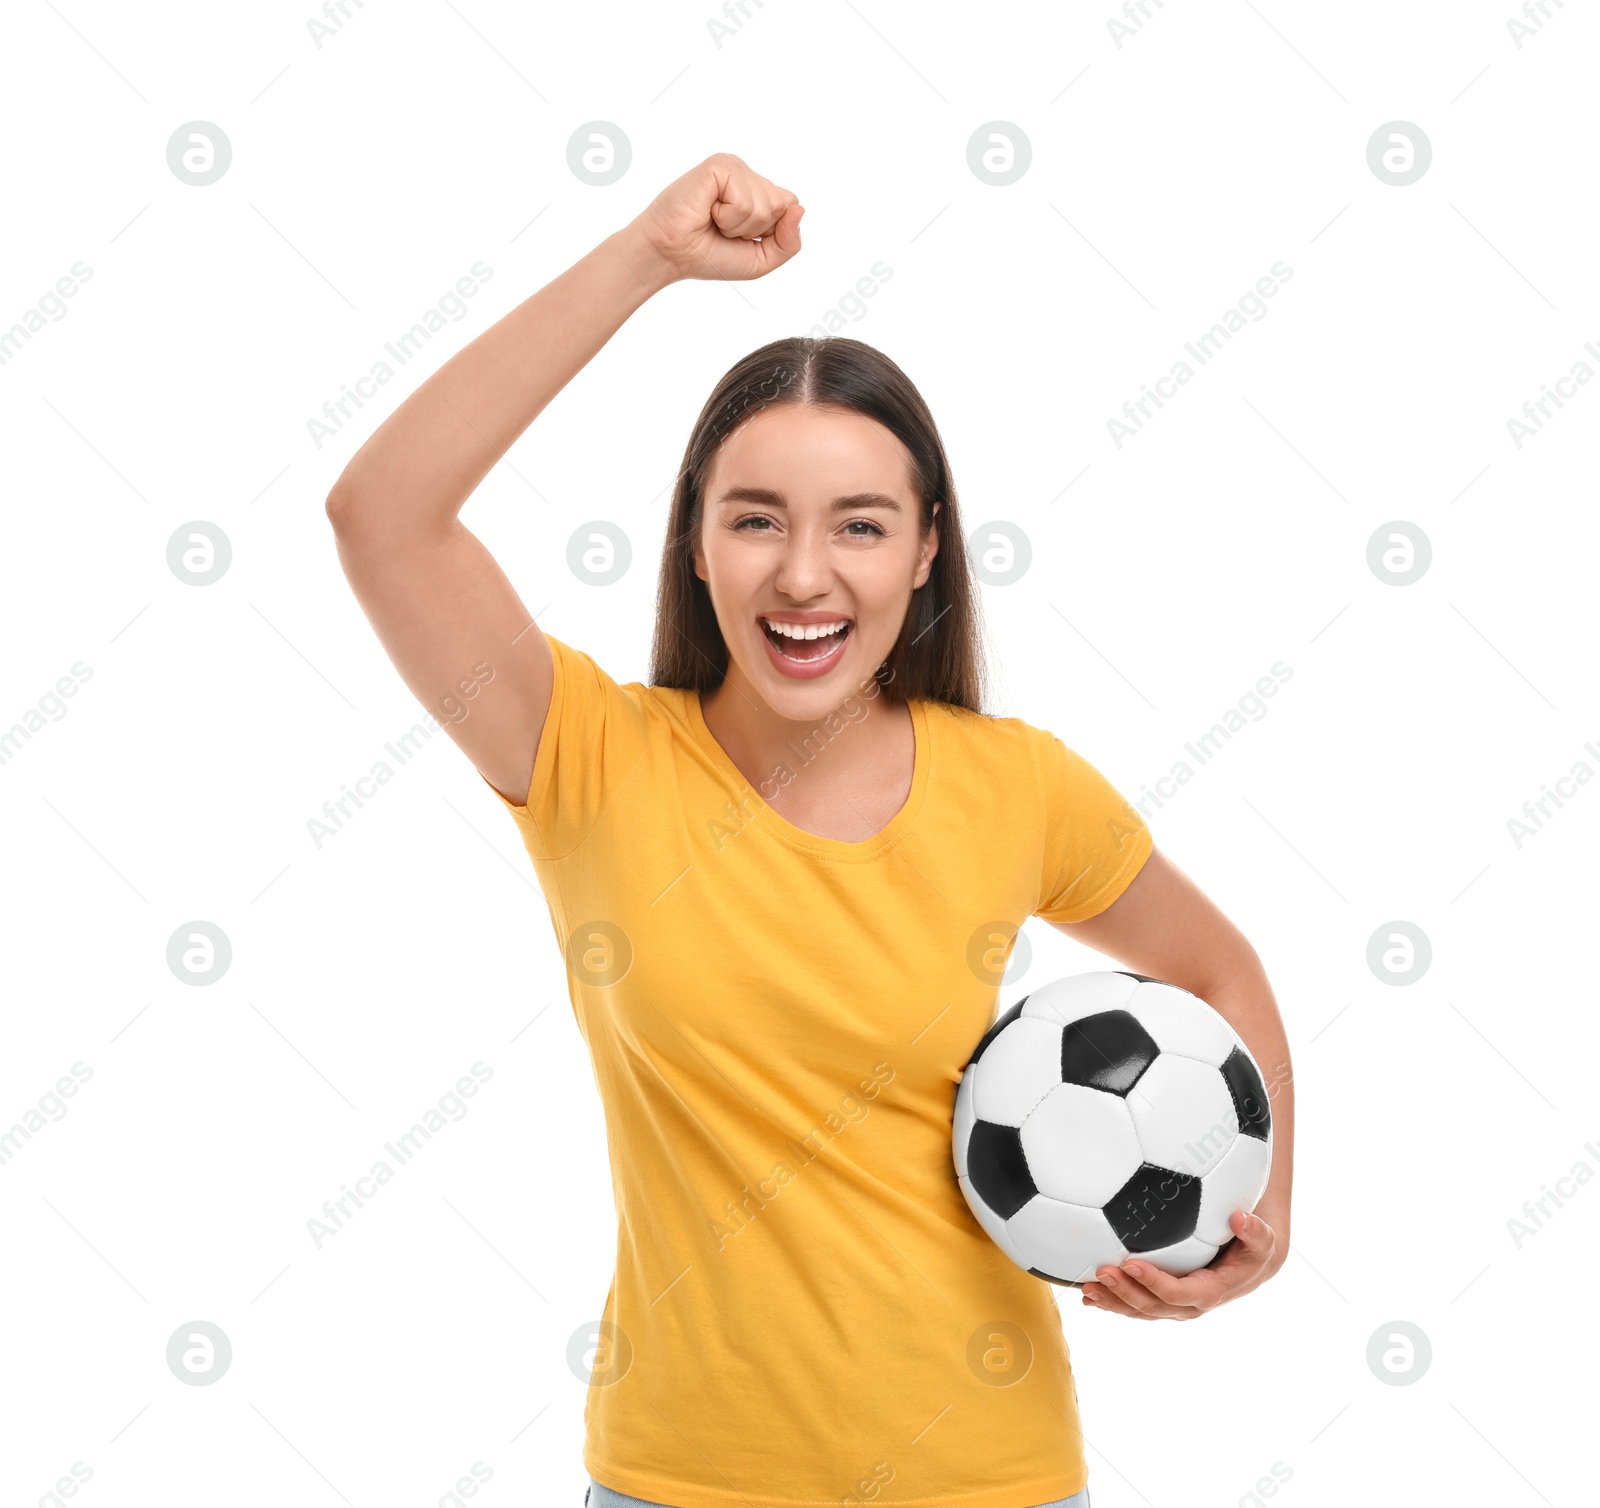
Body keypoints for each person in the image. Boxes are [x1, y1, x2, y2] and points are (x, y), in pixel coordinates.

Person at [325, 152, 1295, 1508]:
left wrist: (1261, 1228)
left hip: (987, 1481)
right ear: (696, 545)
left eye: (859, 525)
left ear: (923, 551)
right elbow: (382, 515)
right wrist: (645, 257)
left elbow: (1217, 971)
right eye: (756, 520)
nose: (802, 573)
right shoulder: (589, 756)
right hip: (679, 1484)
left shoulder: (1019, 786)